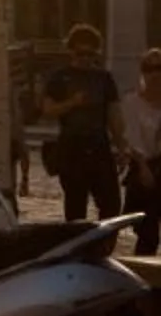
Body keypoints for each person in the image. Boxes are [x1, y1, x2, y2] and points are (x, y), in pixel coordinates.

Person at [39, 22, 125, 228]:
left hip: (99, 146)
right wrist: (72, 103)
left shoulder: (104, 78)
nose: (85, 58)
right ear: (71, 51)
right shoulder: (60, 77)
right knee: (76, 207)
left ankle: (102, 244)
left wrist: (121, 146)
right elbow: (48, 109)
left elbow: (114, 114)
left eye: (90, 53)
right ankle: (78, 247)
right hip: (72, 147)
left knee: (111, 203)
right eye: (81, 53)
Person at [121, 47, 161, 254]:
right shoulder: (132, 103)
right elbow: (132, 138)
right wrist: (144, 167)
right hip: (144, 166)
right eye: (149, 69)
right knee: (148, 232)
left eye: (159, 68)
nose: (155, 74)